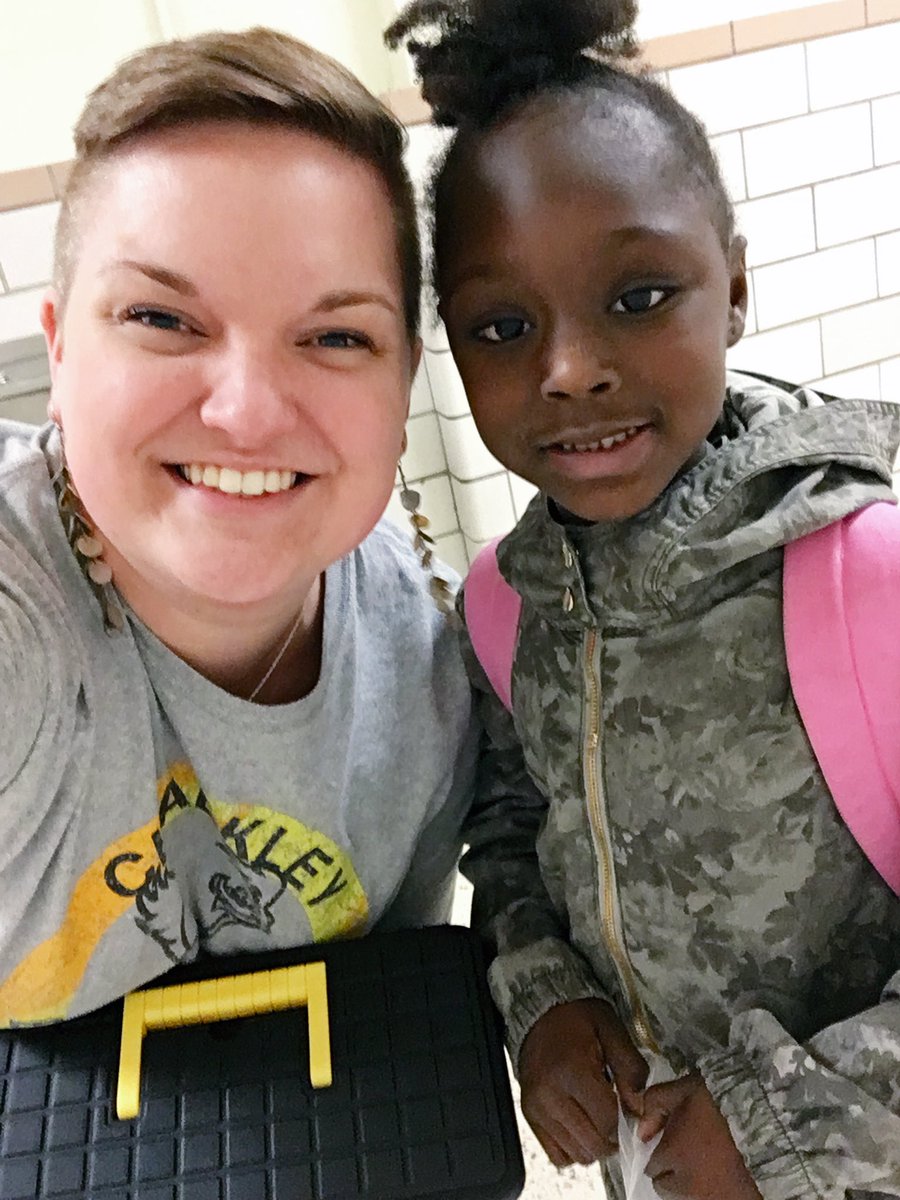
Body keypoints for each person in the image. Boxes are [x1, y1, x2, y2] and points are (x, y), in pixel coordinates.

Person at [386, 1, 900, 1197]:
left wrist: (775, 1124)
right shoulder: (508, 609)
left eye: (637, 296)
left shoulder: (863, 574)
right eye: (503, 325)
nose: (568, 368)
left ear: (732, 288)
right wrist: (544, 997)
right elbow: (512, 827)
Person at [0, 27, 477, 1028]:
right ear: (59, 357)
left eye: (337, 336)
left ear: (401, 391)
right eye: (163, 320)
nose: (249, 412)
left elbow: (376, 1049)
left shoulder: (432, 681)